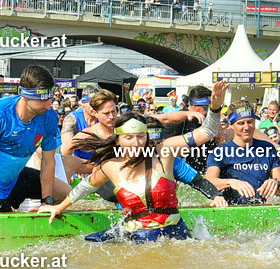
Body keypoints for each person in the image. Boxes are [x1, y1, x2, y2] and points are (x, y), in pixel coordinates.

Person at [40, 83, 228, 242]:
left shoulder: (165, 152)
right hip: (135, 237)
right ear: (118, 140)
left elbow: (208, 132)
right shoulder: (109, 166)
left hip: (174, 235)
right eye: (129, 137)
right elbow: (84, 187)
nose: (136, 143)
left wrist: (215, 108)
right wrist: (58, 206)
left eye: (140, 137)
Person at [0, 65, 66, 214]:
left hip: (16, 178)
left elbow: (48, 161)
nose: (48, 106)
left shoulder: (49, 116)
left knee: (66, 195)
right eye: (42, 100)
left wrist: (47, 202)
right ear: (25, 95)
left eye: (50, 99)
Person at [206, 101, 280, 205]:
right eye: (241, 123)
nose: (247, 127)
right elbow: (208, 181)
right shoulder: (220, 152)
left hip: (259, 210)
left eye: (250, 122)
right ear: (231, 125)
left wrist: (276, 183)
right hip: (231, 210)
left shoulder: (267, 148)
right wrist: (230, 182)